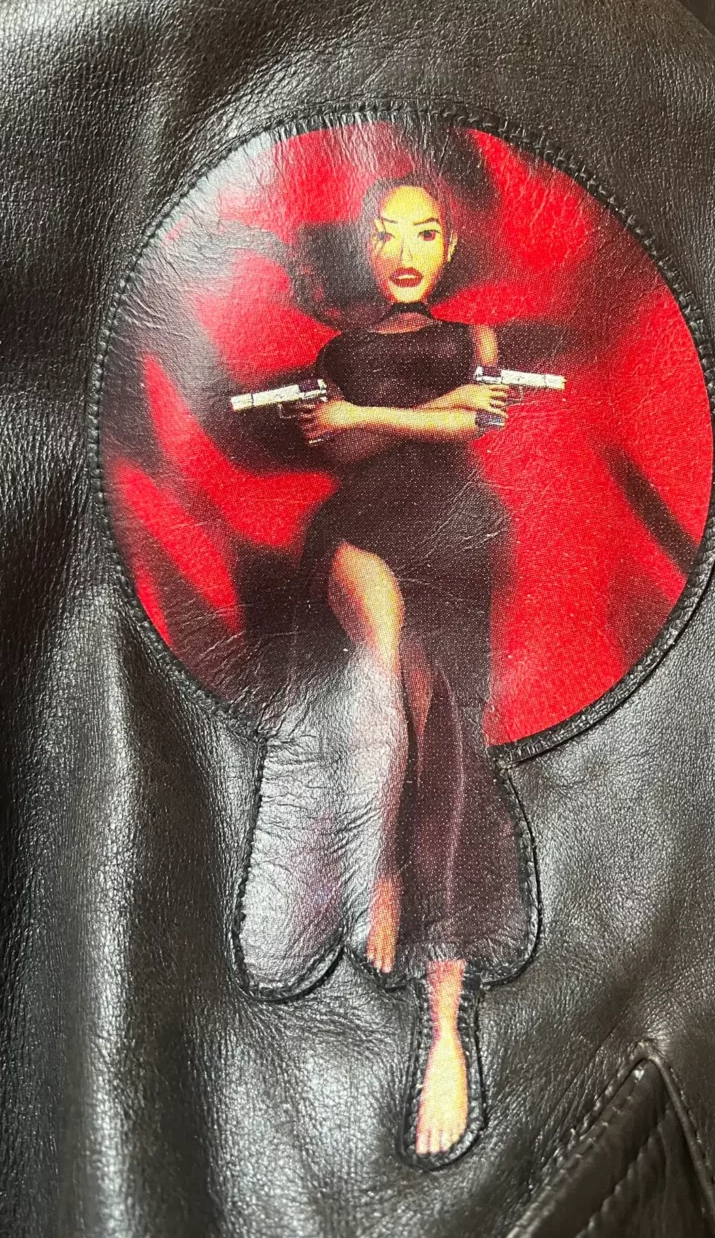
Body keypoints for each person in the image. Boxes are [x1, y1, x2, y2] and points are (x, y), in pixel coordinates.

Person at [283, 178, 531, 1157]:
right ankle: (375, 865)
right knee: (380, 686)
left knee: (449, 750)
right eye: (385, 232)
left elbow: (480, 426)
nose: (403, 249)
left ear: (447, 247)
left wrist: (395, 413)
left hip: (459, 538)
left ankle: (444, 1032)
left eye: (423, 232)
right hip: (363, 533)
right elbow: (341, 448)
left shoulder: (474, 338)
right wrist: (432, 407)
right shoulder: (338, 354)